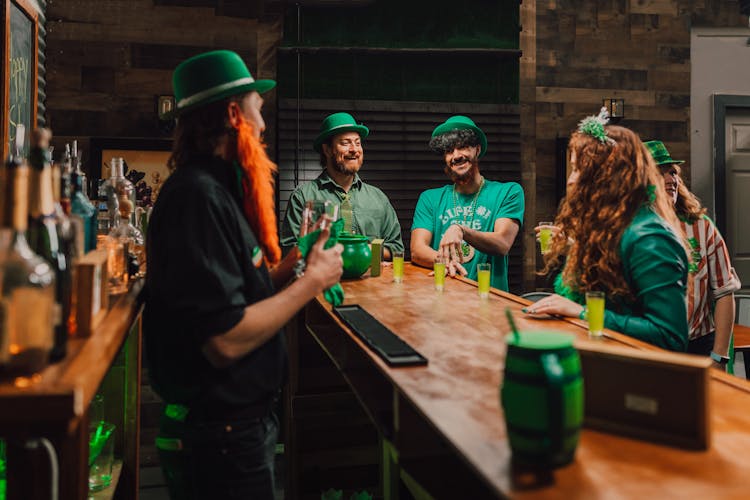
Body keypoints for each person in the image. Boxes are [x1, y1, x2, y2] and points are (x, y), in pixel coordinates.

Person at [143, 50, 343, 499]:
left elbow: (237, 294)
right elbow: (223, 339)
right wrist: (313, 282)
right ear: (234, 114)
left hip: (237, 429)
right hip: (221, 439)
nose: (264, 125)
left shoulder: (215, 189)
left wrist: (294, 263)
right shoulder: (197, 198)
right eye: (258, 110)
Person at [526, 109, 689, 352]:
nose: (571, 180)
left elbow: (669, 337)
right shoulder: (608, 226)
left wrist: (582, 312)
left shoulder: (651, 239)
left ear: (610, 177)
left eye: (580, 170)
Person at [645, 140, 742, 368]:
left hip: (698, 347)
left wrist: (719, 357)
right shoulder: (632, 231)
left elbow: (724, 293)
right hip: (651, 348)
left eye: (673, 173)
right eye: (660, 174)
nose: (671, 180)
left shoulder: (702, 227)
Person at [410, 115, 524, 292]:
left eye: (462, 147)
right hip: (442, 298)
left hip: (489, 301)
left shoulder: (507, 192)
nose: (456, 156)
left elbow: (503, 243)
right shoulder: (430, 198)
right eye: (449, 151)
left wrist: (461, 230)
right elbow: (417, 250)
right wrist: (446, 263)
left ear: (477, 150)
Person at [279, 112, 404, 259]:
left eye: (358, 143)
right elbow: (289, 251)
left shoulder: (378, 198)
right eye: (345, 143)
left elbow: (397, 249)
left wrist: (362, 251)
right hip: (322, 281)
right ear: (327, 150)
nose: (354, 149)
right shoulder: (302, 197)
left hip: (372, 281)